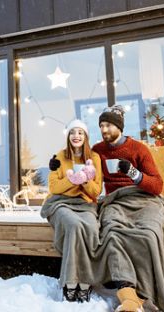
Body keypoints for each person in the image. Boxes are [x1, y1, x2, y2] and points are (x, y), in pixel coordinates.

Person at [92, 105, 164, 311]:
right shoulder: (97, 150)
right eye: (101, 126)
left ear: (118, 126)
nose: (104, 130)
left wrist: (133, 173)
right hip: (115, 201)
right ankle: (128, 294)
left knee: (149, 234)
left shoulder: (139, 149)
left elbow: (157, 185)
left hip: (144, 199)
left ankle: (148, 292)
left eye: (107, 125)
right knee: (113, 234)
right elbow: (87, 171)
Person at [40, 119, 103, 303]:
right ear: (68, 136)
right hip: (61, 203)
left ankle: (85, 282)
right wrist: (73, 180)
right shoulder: (59, 157)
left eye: (80, 132)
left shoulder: (94, 158)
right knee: (74, 225)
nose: (76, 136)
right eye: (73, 132)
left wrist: (85, 181)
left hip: (85, 204)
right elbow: (54, 187)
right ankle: (70, 282)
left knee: (91, 228)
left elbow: (96, 191)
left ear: (86, 137)